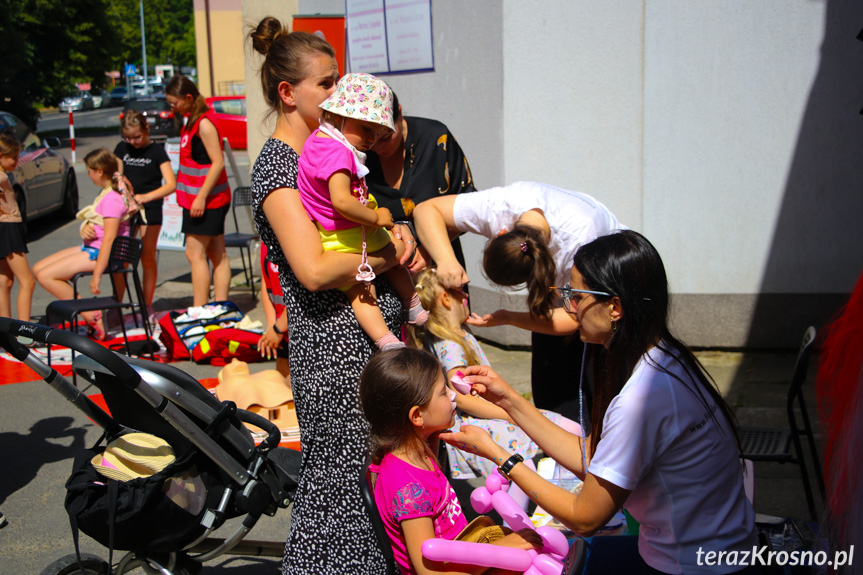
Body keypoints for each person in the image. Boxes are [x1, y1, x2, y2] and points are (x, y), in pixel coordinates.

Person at [441, 230, 758, 575]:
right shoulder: (667, 357)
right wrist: (511, 402)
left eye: (576, 296)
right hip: (721, 552)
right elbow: (593, 457)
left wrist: (500, 456)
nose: (568, 306)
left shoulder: (640, 401)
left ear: (615, 307)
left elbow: (585, 517)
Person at [248, 16, 412, 574]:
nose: (340, 92)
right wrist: (390, 251)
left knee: (376, 491)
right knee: (340, 497)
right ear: (288, 93)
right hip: (335, 353)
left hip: (364, 346)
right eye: (327, 82)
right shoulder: (280, 167)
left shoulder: (329, 154)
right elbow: (315, 271)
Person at [414, 181, 626, 423]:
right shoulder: (499, 207)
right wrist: (446, 259)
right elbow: (426, 210)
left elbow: (573, 318)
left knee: (593, 397)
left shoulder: (580, 242)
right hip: (574, 300)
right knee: (551, 390)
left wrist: (510, 318)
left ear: (501, 233)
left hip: (606, 300)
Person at [359, 347, 541, 575]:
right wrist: (498, 550)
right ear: (417, 416)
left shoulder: (417, 448)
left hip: (466, 555)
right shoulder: (409, 490)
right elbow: (430, 572)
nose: (453, 394)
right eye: (443, 392)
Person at [407, 268, 578, 483]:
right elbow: (461, 396)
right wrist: (508, 412)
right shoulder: (450, 345)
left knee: (566, 432)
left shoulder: (457, 335)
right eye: (461, 290)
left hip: (491, 415)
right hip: (481, 421)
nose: (467, 295)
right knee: (525, 462)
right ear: (446, 300)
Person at [298, 72, 428, 351]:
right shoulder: (340, 153)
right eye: (366, 129)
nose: (372, 138)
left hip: (332, 233)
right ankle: (412, 304)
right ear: (338, 116)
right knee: (391, 259)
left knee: (360, 289)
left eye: (378, 132)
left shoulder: (317, 141)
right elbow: (342, 201)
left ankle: (386, 340)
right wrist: (376, 216)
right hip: (352, 228)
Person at [366, 92, 477, 272]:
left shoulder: (436, 139)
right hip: (388, 269)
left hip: (441, 266)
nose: (378, 148)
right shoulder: (361, 152)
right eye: (372, 141)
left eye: (386, 137)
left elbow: (465, 205)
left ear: (400, 114)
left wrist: (431, 250)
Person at [34, 149, 134, 339]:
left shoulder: (112, 198)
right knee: (39, 269)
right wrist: (85, 227)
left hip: (104, 253)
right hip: (92, 248)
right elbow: (98, 224)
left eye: (89, 171)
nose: (88, 175)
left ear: (99, 171)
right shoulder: (107, 193)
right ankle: (90, 312)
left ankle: (92, 315)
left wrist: (96, 276)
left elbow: (109, 239)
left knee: (47, 276)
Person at [165, 75, 231, 307]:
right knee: (216, 254)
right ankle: (219, 307)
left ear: (189, 98)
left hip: (206, 201)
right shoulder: (191, 120)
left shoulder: (203, 123)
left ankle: (200, 309)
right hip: (200, 200)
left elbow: (218, 162)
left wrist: (201, 197)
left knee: (195, 255)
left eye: (174, 102)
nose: (171, 107)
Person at [113, 109, 176, 316]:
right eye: (128, 138)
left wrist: (146, 197)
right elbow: (116, 175)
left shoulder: (156, 151)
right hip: (126, 209)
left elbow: (170, 184)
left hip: (150, 208)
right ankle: (117, 305)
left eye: (137, 137)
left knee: (147, 257)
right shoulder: (122, 148)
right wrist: (120, 185)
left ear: (146, 130)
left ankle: (145, 305)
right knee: (121, 258)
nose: (132, 142)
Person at [0, 133, 35, 323]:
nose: (16, 161)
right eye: (13, 157)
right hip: (9, 227)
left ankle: (5, 332)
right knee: (27, 282)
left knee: (5, 281)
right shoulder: (1, 176)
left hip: (4, 227)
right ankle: (25, 334)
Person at [257, 242, 290, 379]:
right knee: (285, 388)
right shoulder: (267, 238)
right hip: (282, 329)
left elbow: (303, 294)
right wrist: (272, 325)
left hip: (302, 329)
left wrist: (278, 328)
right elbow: (266, 281)